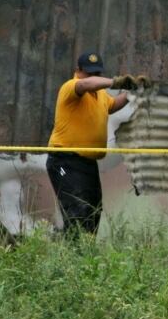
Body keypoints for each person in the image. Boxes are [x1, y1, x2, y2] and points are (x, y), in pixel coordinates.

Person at [46, 51, 147, 236]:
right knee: (77, 211)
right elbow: (85, 84)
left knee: (92, 210)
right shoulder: (71, 87)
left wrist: (132, 91)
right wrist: (115, 82)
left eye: (96, 74)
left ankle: (84, 256)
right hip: (64, 162)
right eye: (89, 73)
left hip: (87, 164)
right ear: (78, 71)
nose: (93, 77)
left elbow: (113, 105)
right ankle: (71, 256)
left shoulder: (100, 96)